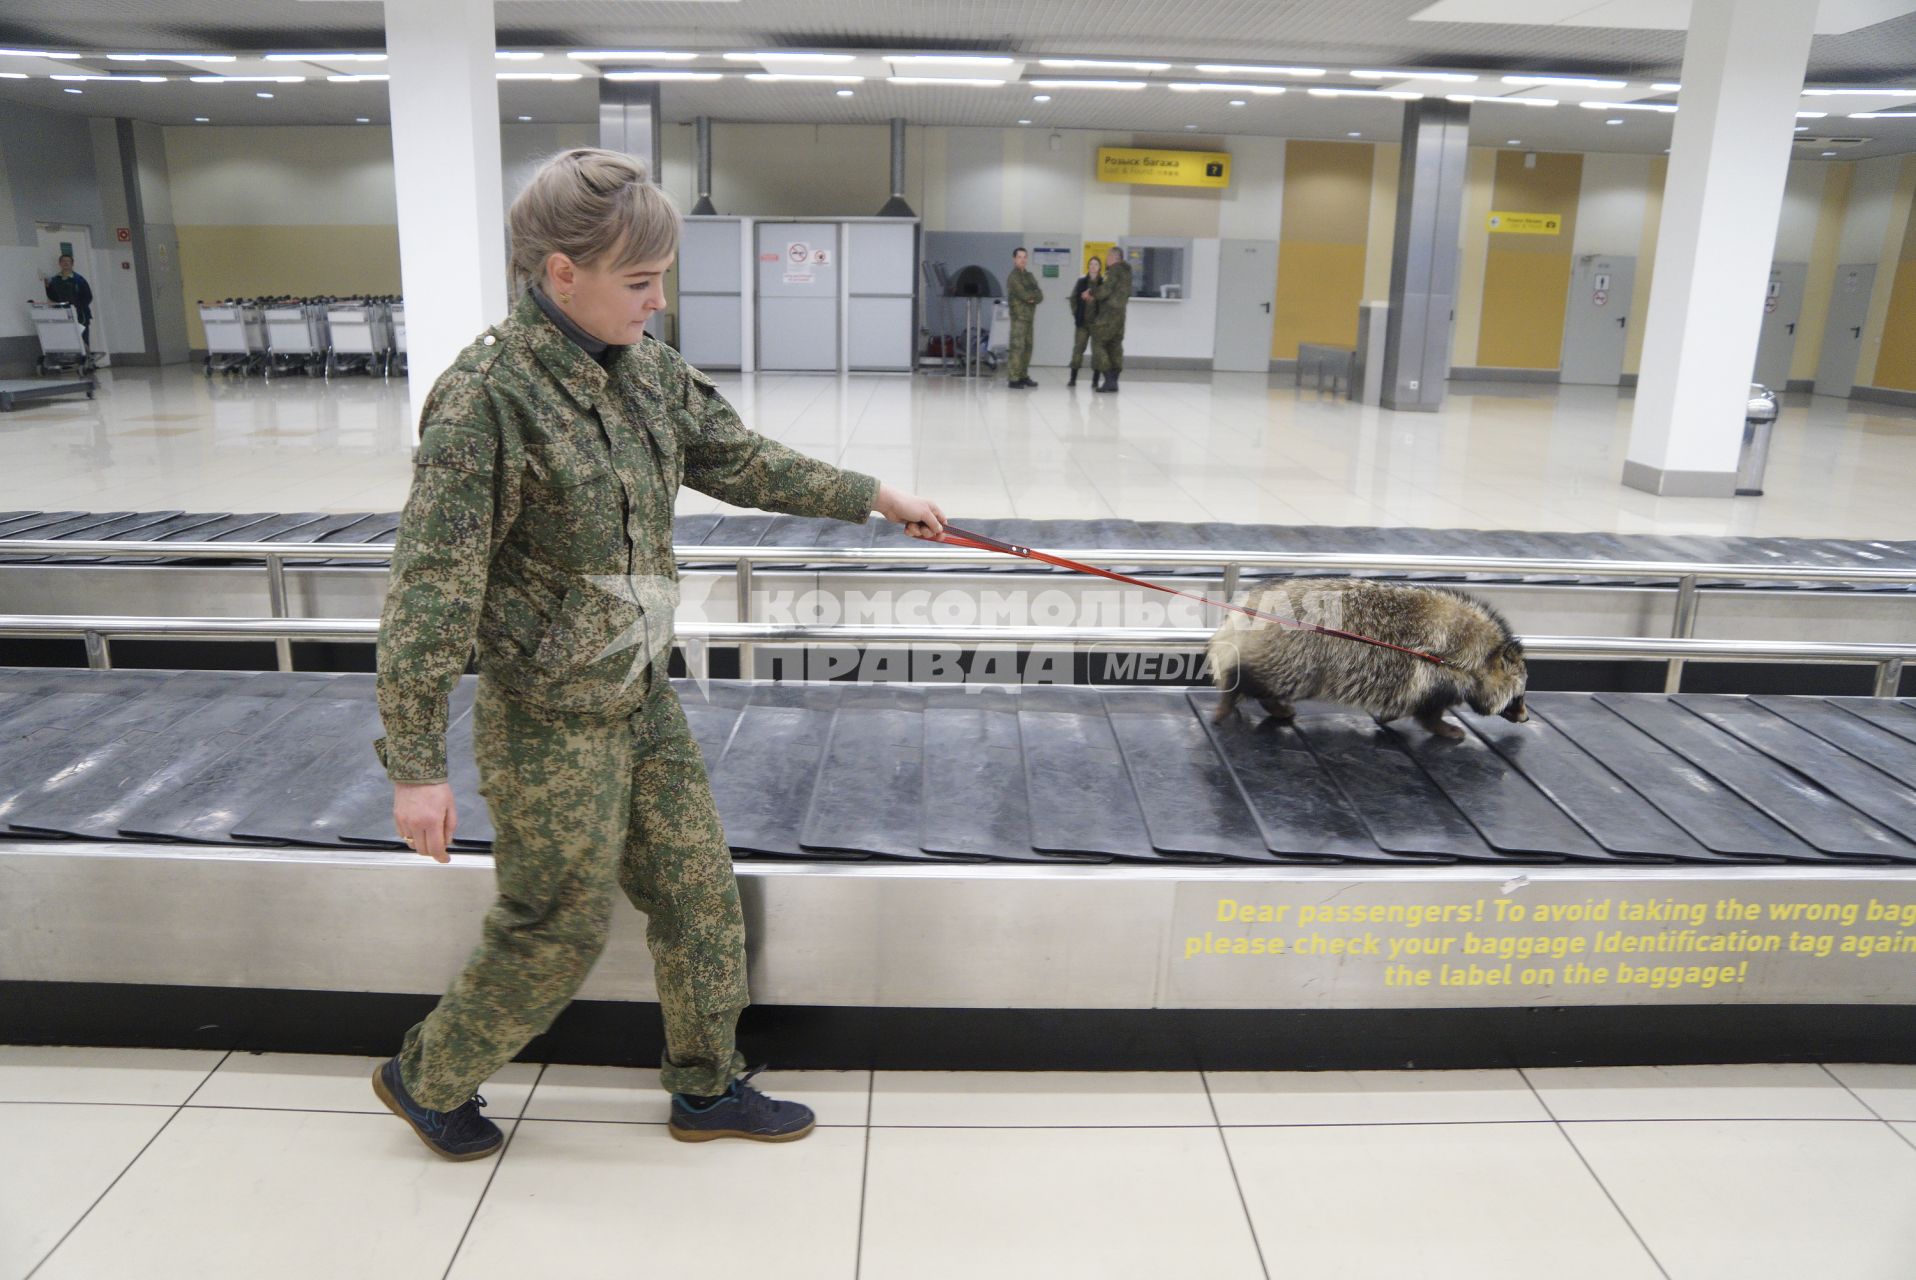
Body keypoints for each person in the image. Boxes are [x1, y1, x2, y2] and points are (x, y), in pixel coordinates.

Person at [369, 148, 944, 1160]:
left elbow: (737, 454)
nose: (658, 301)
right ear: (560, 273)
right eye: (640, 282)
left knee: (695, 892)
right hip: (548, 721)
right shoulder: (486, 400)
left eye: (660, 278)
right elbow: (431, 589)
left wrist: (870, 491)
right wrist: (416, 763)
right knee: (555, 926)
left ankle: (705, 1084)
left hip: (638, 692)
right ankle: (428, 1073)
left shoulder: (642, 372)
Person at [1090, 244, 1133, 394]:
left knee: (1097, 342)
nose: (1106, 259)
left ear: (1115, 258)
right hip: (1121, 314)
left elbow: (1105, 291)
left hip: (1109, 314)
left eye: (1108, 256)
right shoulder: (1127, 272)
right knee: (1115, 345)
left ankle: (1108, 379)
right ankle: (1114, 380)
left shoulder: (1114, 271)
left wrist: (1092, 292)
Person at [1004, 246, 1043, 389]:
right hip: (1019, 318)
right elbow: (1025, 295)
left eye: (1024, 257)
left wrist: (1032, 297)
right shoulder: (1013, 277)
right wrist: (1031, 296)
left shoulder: (1029, 276)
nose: (1022, 260)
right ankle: (1013, 378)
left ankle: (1022, 375)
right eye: (1019, 257)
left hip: (1029, 318)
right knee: (1017, 348)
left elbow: (1040, 295)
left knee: (1028, 348)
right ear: (1014, 259)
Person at [43, 254, 94, 352]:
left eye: (68, 261)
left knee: (83, 338)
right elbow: (53, 297)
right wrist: (47, 287)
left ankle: (86, 361)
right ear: (60, 263)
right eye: (63, 261)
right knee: (67, 339)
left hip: (80, 315)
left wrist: (78, 307)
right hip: (62, 315)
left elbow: (88, 297)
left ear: (72, 264)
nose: (66, 263)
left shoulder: (79, 279)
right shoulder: (54, 280)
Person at [1069, 256, 1101, 389]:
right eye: (1091, 264)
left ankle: (1095, 380)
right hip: (1082, 323)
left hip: (1097, 324)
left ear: (1100, 267)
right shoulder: (1081, 282)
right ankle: (1073, 378)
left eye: (1096, 264)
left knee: (1098, 352)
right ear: (1088, 267)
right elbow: (1073, 299)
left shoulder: (1103, 284)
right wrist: (1077, 313)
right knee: (1078, 349)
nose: (1093, 266)